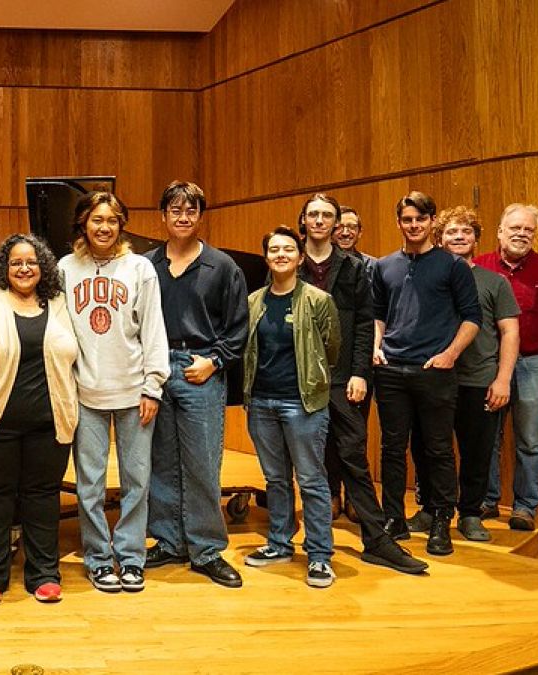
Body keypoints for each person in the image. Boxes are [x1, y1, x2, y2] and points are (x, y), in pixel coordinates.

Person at [296, 194, 427, 574]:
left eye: (327, 215)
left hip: (341, 378)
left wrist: (359, 373)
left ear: (336, 223)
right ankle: (294, 539)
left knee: (353, 457)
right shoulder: (290, 263)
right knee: (304, 462)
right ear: (303, 221)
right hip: (299, 380)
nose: (320, 221)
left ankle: (376, 539)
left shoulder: (353, 268)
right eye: (313, 215)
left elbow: (364, 324)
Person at [0, 234, 79, 605]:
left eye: (31, 262)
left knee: (42, 498)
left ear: (43, 267)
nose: (24, 269)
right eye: (15, 263)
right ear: (4, 268)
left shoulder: (58, 304)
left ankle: (43, 574)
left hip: (50, 421)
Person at [58, 192, 168, 593]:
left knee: (137, 481)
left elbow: (154, 329)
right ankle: (99, 558)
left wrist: (153, 386)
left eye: (112, 220)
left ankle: (131, 556)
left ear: (122, 224)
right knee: (89, 483)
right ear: (83, 223)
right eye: (96, 219)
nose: (104, 227)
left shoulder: (139, 268)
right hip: (85, 392)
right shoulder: (66, 268)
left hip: (134, 389)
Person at [142, 181, 248, 588]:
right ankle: (169, 541)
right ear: (164, 216)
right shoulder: (146, 265)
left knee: (203, 463)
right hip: (156, 367)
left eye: (191, 211)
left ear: (200, 217)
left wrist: (215, 361)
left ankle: (205, 549)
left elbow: (238, 326)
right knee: (162, 462)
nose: (183, 217)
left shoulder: (223, 267)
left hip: (199, 366)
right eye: (175, 210)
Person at [371, 191, 480, 557]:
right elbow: (379, 314)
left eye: (420, 219)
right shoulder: (384, 266)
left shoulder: (452, 266)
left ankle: (440, 521)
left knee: (437, 450)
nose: (413, 225)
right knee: (391, 448)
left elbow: (472, 318)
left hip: (435, 371)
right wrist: (376, 346)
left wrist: (450, 354)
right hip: (391, 371)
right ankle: (393, 519)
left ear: (432, 222)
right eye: (407, 219)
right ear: (399, 222)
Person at [405, 207, 520, 542]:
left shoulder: (494, 281)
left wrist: (502, 379)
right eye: (452, 231)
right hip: (433, 377)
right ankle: (431, 509)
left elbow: (509, 332)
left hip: (478, 379)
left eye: (466, 231)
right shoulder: (426, 276)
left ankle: (470, 513)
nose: (458, 237)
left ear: (476, 238)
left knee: (477, 450)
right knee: (427, 447)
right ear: (438, 237)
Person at [242, 226, 340, 587]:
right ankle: (279, 543)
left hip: (303, 404)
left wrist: (311, 383)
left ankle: (319, 555)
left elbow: (331, 349)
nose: (281, 254)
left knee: (312, 480)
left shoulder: (317, 300)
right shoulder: (254, 302)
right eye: (274, 250)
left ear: (300, 257)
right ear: (266, 257)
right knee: (275, 479)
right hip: (262, 402)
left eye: (288, 249)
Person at [476, 204, 538, 531]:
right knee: (486, 436)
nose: (522, 234)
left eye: (529, 230)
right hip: (488, 363)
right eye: (515, 228)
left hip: (533, 365)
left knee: (530, 439)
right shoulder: (479, 267)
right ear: (500, 232)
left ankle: (524, 507)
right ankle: (487, 500)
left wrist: (537, 348)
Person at [333, 206, 376, 272]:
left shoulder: (373, 266)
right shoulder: (319, 265)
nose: (345, 233)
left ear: (360, 232)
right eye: (339, 227)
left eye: (352, 227)